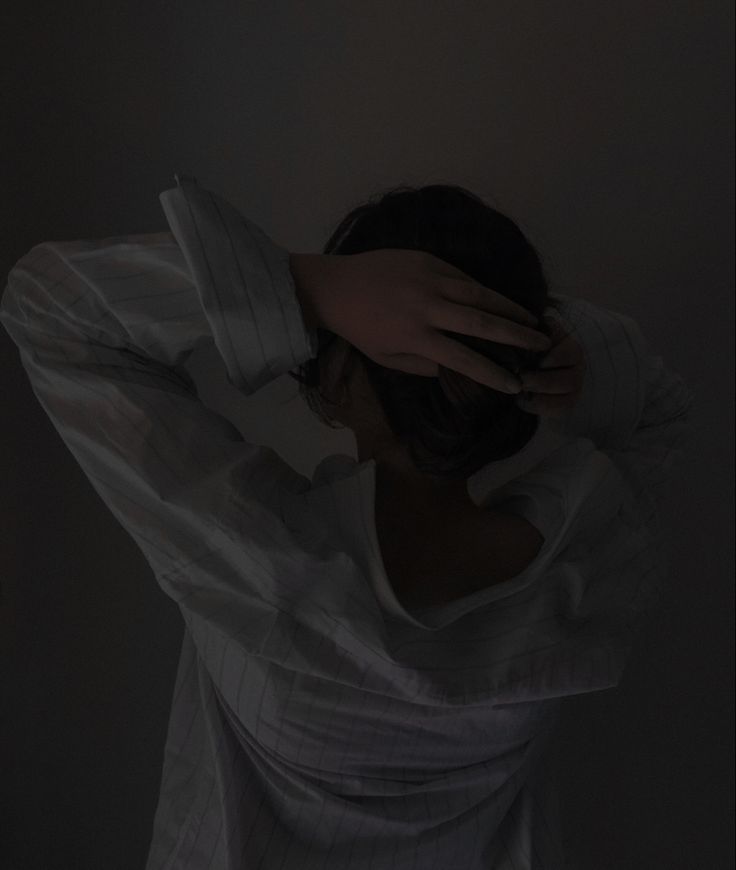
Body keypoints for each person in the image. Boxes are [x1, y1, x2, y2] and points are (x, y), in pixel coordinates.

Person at [0, 174, 695, 868]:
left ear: (334, 382)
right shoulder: (579, 577)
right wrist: (544, 338)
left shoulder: (250, 552)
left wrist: (313, 289)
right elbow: (656, 406)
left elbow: (49, 306)